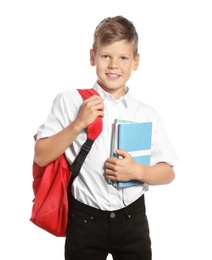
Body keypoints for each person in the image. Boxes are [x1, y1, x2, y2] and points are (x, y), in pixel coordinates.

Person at [34, 15, 179, 260]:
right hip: (85, 220)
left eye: (123, 57)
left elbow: (168, 172)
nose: (114, 65)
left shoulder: (147, 114)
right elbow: (41, 155)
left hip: (132, 218)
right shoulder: (71, 101)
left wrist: (137, 171)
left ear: (136, 61)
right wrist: (79, 123)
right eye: (105, 56)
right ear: (92, 57)